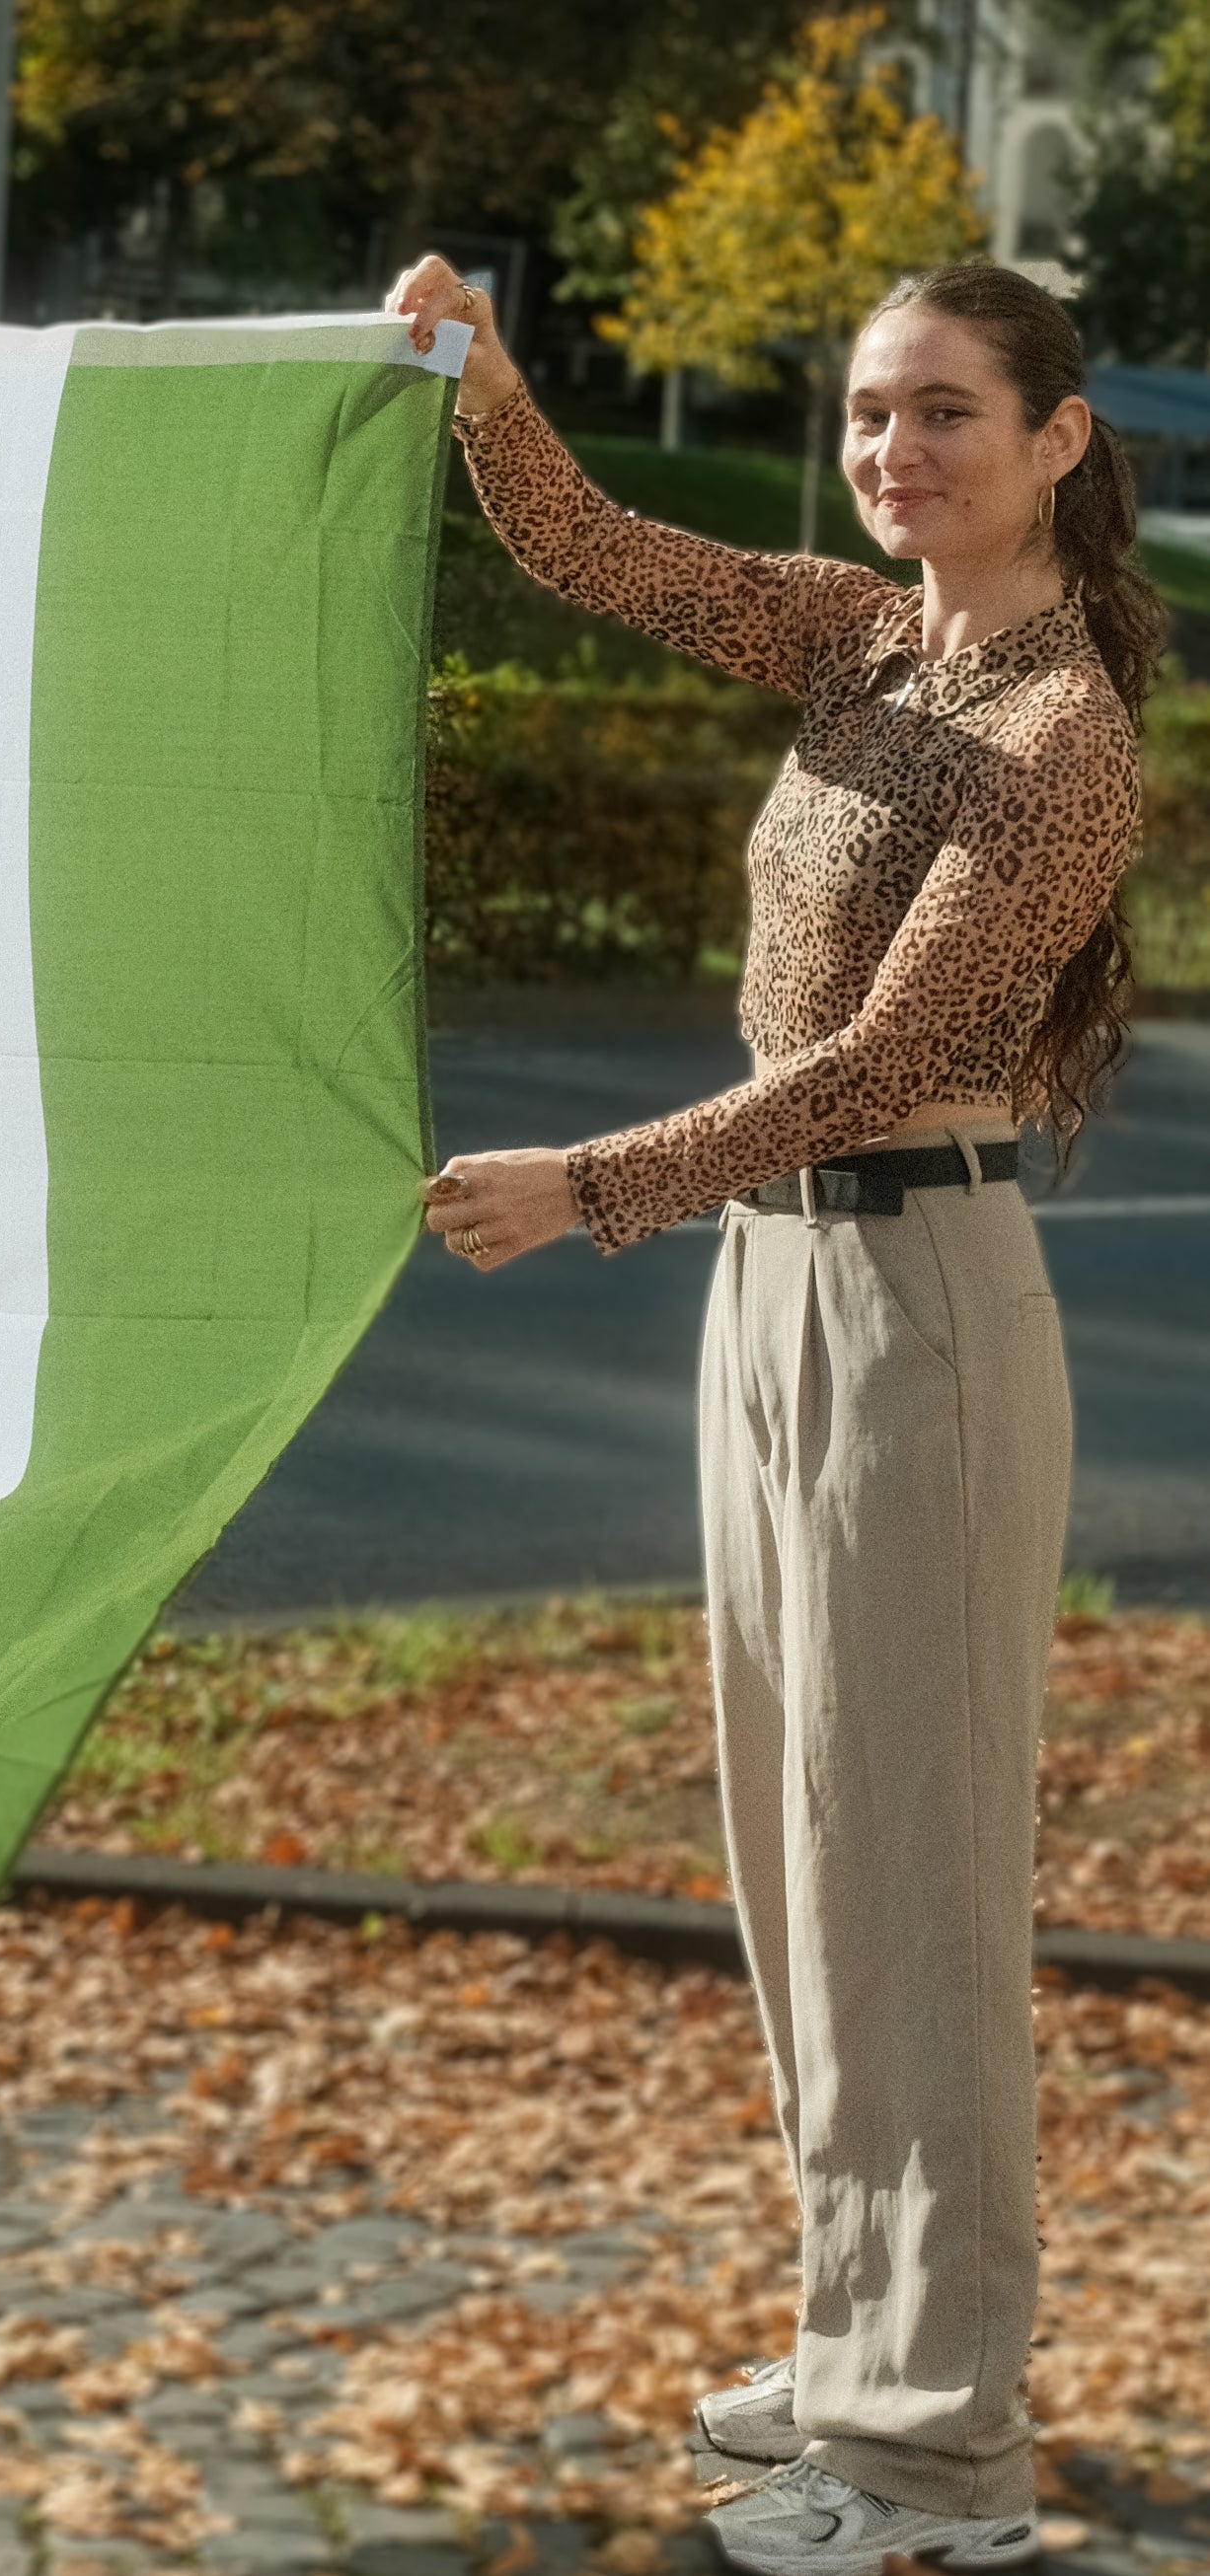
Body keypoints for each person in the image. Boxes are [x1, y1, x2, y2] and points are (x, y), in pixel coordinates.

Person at [387, 254, 1156, 2576]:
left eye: (942, 412)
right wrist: (491, 382)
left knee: (912, 1878)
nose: (893, 450)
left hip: (916, 1291)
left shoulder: (1061, 740)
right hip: (780, 1283)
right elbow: (594, 554)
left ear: (1056, 441)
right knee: (799, 1855)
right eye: (862, 413)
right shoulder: (859, 637)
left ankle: (944, 2454)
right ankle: (855, 2347)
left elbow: (873, 1063)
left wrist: (591, 1182)